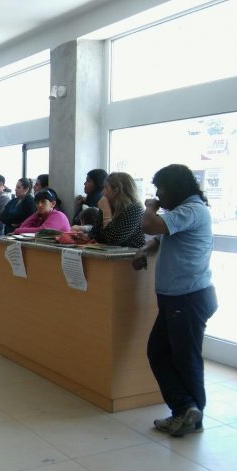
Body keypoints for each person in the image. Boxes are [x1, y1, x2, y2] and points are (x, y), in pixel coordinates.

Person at [132, 164, 217, 437]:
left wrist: (150, 206)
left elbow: (150, 224)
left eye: (161, 189)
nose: (158, 194)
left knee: (185, 358)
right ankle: (186, 408)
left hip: (188, 297)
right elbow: (158, 238)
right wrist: (144, 250)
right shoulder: (181, 212)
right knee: (160, 352)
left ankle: (190, 414)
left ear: (176, 188)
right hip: (176, 298)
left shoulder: (192, 210)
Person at [73, 172, 145, 248]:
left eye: (105, 188)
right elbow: (95, 232)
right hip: (108, 253)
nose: (102, 192)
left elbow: (113, 240)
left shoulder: (135, 209)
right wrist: (86, 237)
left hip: (131, 254)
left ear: (116, 190)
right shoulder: (109, 204)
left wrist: (106, 211)